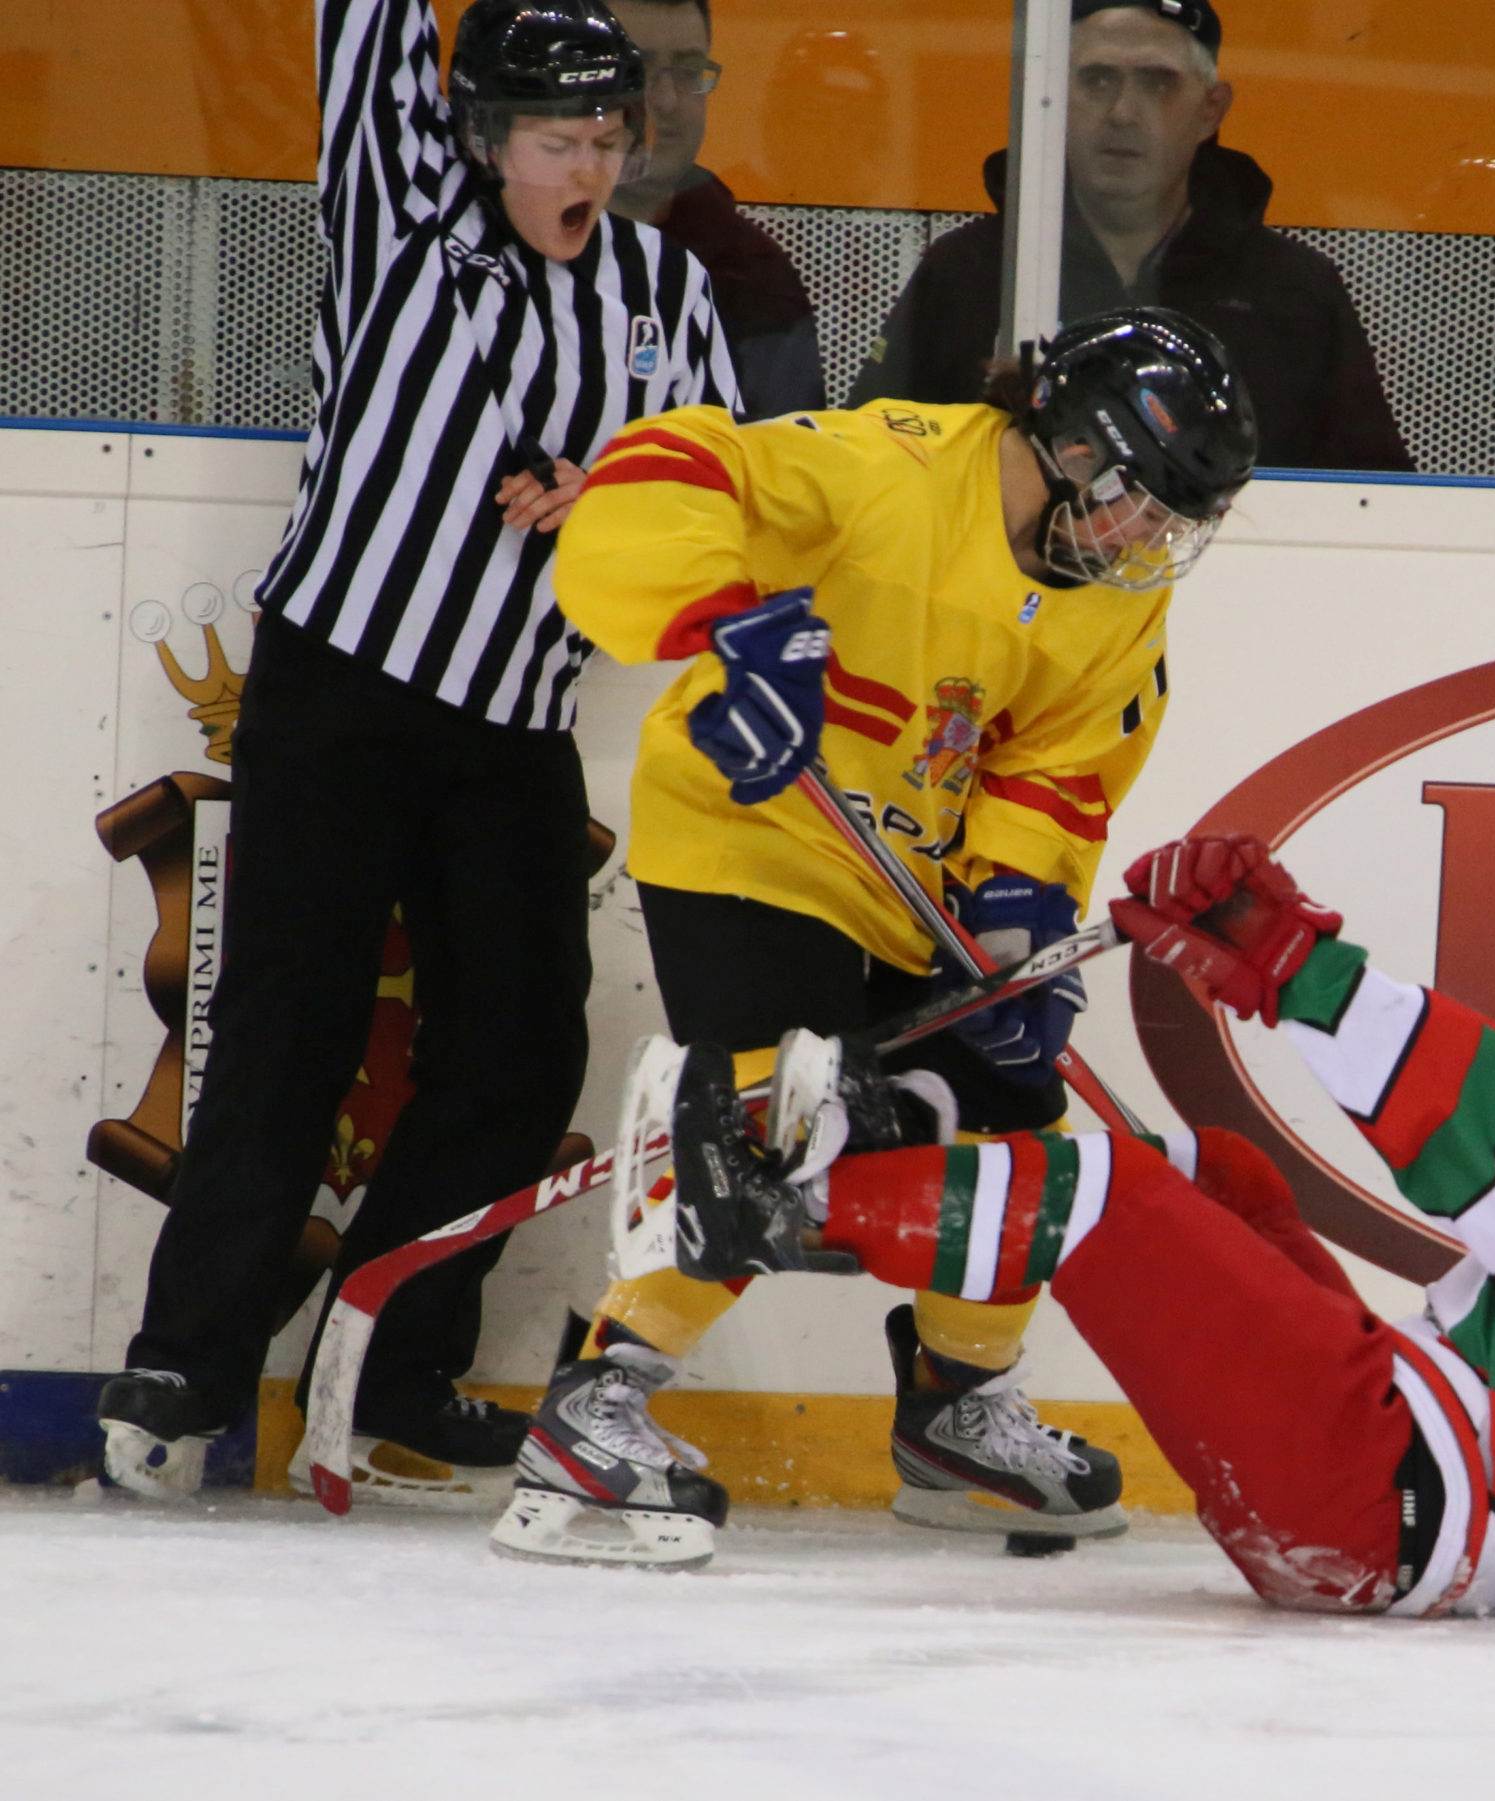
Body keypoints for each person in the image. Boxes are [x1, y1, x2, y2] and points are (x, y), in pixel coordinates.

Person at [93, 0, 740, 1504]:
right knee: (284, 1030)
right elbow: (364, 34)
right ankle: (187, 1364)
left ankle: (383, 1363)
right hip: (344, 692)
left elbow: (718, 491)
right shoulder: (408, 221)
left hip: (517, 717)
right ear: (482, 141)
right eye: (555, 139)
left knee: (522, 1050)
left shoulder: (666, 288)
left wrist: (613, 496)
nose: (589, 164)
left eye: (607, 136)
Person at [488, 307, 1258, 1568]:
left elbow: (1062, 760)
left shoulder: (1106, 590)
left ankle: (956, 1406)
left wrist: (1017, 910)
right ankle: (595, 1404)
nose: (1153, 540)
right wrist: (722, 630)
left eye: (1181, 520)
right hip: (751, 828)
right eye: (1144, 503)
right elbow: (664, 469)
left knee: (1013, 1112)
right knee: (775, 1111)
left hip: (914, 871)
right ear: (1071, 447)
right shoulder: (887, 466)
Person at [652, 833, 1495, 1612]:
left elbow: (1481, 1113)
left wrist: (1287, 961)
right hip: (1416, 1522)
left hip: (1378, 1491)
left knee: (1115, 1198)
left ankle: (760, 1205)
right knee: (1224, 1180)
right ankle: (929, 1209)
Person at [847, 0, 1411, 474]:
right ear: (1051, 99)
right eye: (1096, 80)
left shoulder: (1292, 292)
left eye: (1158, 83)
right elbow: (867, 457)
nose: (1122, 112)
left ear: (1211, 110)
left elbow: (1371, 497)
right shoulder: (969, 272)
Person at [606, 0, 827, 417]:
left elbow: (785, 464)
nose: (667, 100)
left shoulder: (753, 274)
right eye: (640, 70)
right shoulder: (508, 246)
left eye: (688, 72)